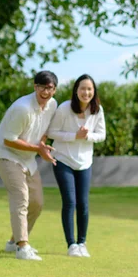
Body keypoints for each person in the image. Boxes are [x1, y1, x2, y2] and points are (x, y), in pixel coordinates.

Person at [0, 71, 58, 261]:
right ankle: (23, 247)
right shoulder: (23, 108)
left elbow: (45, 130)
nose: (45, 92)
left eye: (49, 88)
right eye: (41, 87)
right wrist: (38, 148)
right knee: (21, 197)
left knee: (36, 203)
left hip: (28, 158)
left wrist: (43, 146)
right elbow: (9, 140)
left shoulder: (52, 105)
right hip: (7, 156)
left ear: (54, 89)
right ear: (34, 86)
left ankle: (13, 242)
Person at [46, 74, 106, 258]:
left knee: (83, 204)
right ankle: (71, 244)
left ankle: (82, 242)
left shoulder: (97, 110)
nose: (86, 92)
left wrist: (87, 136)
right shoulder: (64, 108)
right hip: (63, 159)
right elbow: (52, 132)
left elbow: (101, 135)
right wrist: (74, 136)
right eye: (82, 88)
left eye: (89, 89)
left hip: (85, 162)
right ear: (76, 90)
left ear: (93, 91)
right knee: (70, 202)